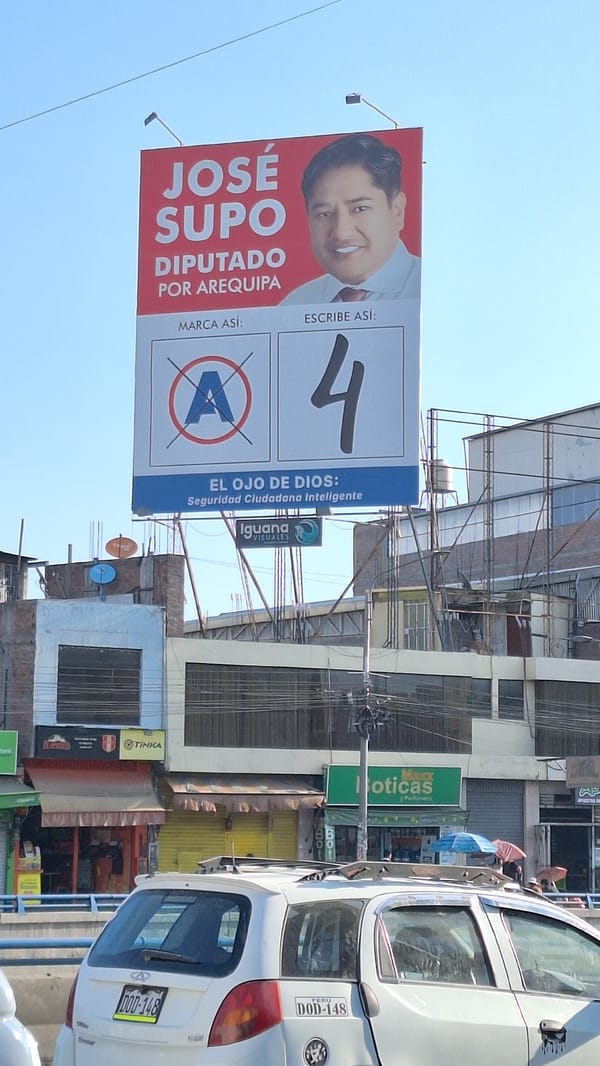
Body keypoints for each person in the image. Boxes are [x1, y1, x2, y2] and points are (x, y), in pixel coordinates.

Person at [281, 132, 421, 305]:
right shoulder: (295, 305)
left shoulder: (431, 288)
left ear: (397, 210)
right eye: (324, 214)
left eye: (360, 209)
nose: (341, 232)